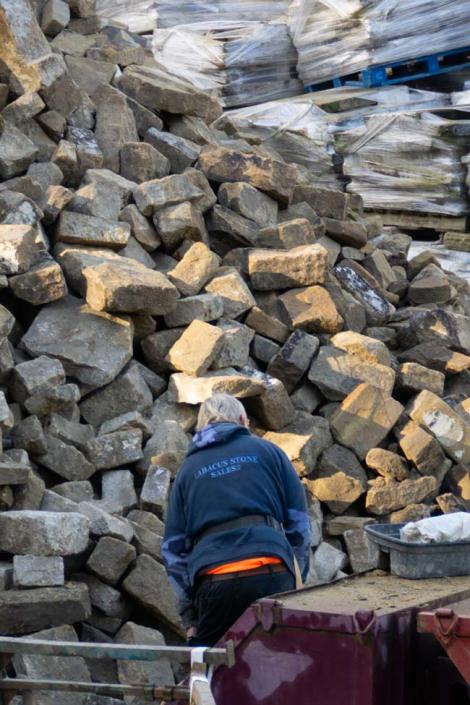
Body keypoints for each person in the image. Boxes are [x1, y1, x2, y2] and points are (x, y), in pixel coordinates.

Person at [163, 393, 311, 646]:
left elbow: (174, 550)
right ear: (243, 419)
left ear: (201, 426)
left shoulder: (187, 471)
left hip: (215, 578)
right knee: (280, 662)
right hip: (272, 567)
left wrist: (190, 618)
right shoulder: (269, 452)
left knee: (211, 671)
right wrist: (298, 578)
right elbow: (299, 523)